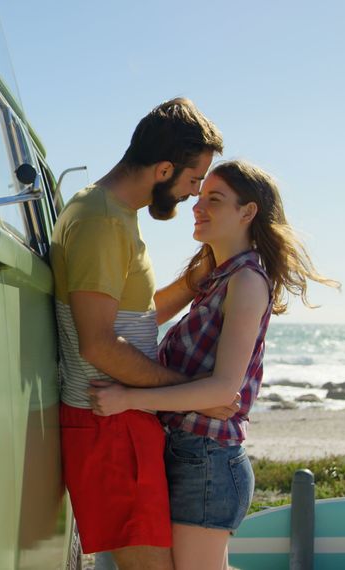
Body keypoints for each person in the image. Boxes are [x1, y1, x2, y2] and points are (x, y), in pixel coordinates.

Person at [88, 160, 340, 570]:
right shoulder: (218, 278)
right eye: (200, 196)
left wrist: (130, 398)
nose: (198, 206)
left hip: (207, 461)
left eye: (215, 200)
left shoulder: (246, 280)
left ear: (248, 211)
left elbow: (224, 390)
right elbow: (148, 315)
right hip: (191, 454)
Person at [50, 98, 234, 570]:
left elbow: (135, 315)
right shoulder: (101, 221)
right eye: (193, 181)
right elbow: (98, 342)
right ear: (165, 169)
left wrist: (199, 278)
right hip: (108, 422)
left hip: (120, 419)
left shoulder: (111, 213)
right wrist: (194, 394)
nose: (194, 195)